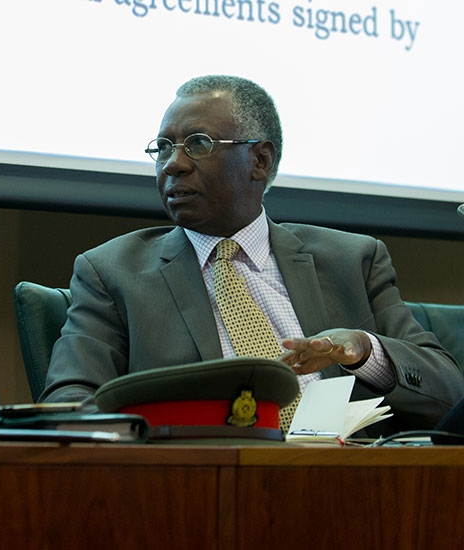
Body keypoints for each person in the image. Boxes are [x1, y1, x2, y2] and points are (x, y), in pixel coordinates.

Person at [40, 74, 464, 436]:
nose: (173, 164)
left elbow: (450, 392)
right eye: (164, 147)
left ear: (259, 160)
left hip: (352, 488)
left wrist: (365, 351)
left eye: (198, 144)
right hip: (197, 488)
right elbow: (69, 404)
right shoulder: (112, 272)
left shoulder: (351, 260)